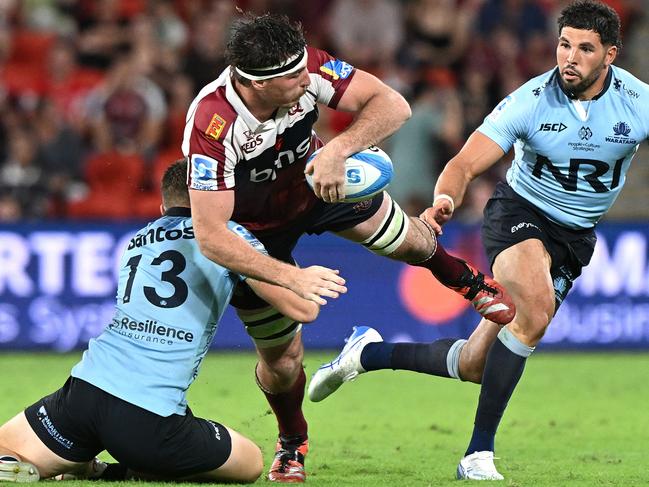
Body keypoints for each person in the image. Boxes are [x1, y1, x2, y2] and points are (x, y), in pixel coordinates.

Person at [308, 0, 649, 480]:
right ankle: (477, 455)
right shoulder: (530, 101)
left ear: (610, 54)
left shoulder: (639, 102)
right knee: (532, 313)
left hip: (574, 238)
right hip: (519, 215)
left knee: (473, 365)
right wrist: (445, 201)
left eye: (585, 49)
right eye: (564, 44)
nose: (569, 57)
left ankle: (366, 353)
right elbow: (463, 165)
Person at [182, 12, 515, 483]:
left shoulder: (304, 67)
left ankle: (466, 280)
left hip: (320, 185)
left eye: (304, 68)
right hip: (255, 231)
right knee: (282, 361)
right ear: (255, 84)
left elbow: (392, 104)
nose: (307, 78)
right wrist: (290, 276)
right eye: (293, 77)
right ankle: (292, 441)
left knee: (410, 241)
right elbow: (212, 234)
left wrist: (337, 149)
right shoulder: (213, 124)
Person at [0, 159, 345, 483]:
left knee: (7, 446)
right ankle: (117, 472)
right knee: (250, 461)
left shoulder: (137, 241)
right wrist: (292, 276)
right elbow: (303, 310)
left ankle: (79, 462)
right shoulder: (226, 238)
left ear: (163, 207)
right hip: (147, 421)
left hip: (82, 396)